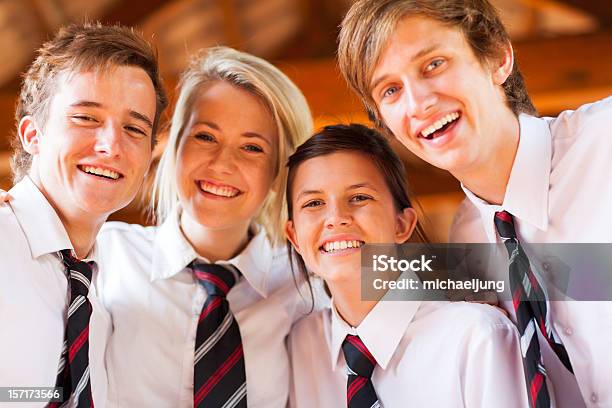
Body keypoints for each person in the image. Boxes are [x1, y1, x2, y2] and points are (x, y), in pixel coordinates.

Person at [337, 1, 612, 407]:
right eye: (391, 90)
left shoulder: (604, 139)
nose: (418, 103)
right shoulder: (466, 240)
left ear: (498, 57)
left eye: (433, 64)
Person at [96, 46, 314, 407]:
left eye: (252, 148)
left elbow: (436, 277)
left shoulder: (304, 279)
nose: (222, 164)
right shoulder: (106, 253)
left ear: (280, 172)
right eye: (206, 137)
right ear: (174, 144)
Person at [285, 123, 529, 407]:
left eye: (359, 197)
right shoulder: (300, 345)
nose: (336, 218)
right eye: (314, 203)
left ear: (402, 224)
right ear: (294, 238)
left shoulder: (477, 338)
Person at [0, 22, 167, 407]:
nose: (111, 145)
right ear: (32, 134)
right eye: (86, 118)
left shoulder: (101, 293)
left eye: (134, 128)